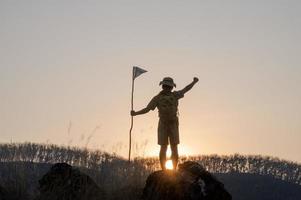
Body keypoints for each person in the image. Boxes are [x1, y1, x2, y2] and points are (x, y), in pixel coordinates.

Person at [131, 77, 199, 170]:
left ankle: (173, 169)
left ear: (171, 87)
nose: (167, 88)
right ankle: (164, 169)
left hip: (173, 124)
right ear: (163, 86)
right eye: (166, 86)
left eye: (168, 87)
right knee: (164, 147)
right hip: (163, 124)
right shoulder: (157, 98)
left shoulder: (175, 95)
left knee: (174, 147)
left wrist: (193, 82)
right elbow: (147, 109)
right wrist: (136, 113)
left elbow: (186, 89)